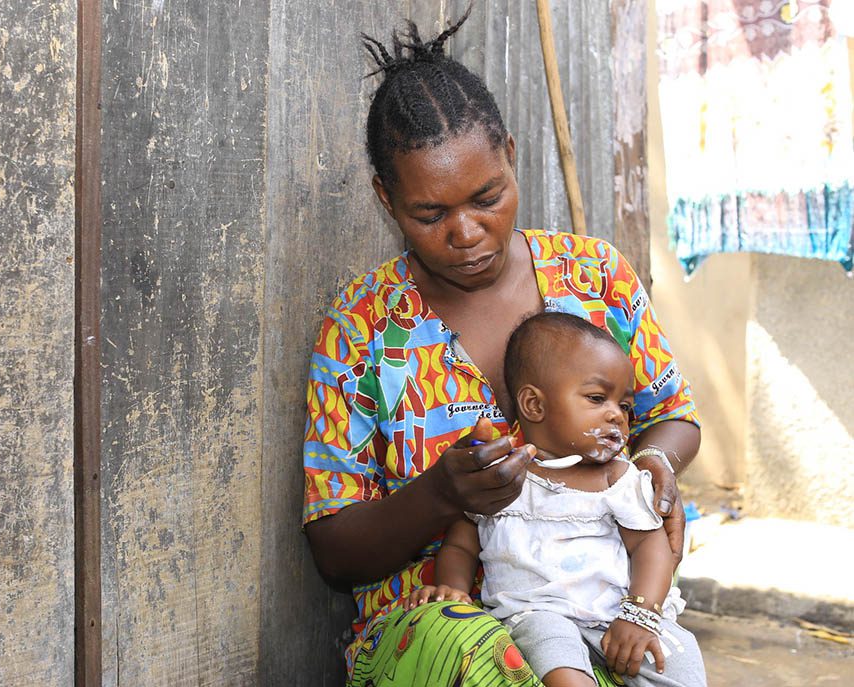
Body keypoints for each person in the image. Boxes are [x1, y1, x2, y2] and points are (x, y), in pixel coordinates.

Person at [302, 9, 700, 686]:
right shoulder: (363, 327)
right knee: (490, 659)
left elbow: (675, 414)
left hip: (599, 612)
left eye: (487, 196)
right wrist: (438, 494)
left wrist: (654, 461)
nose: (466, 231)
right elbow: (334, 549)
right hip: (434, 633)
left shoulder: (594, 276)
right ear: (385, 199)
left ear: (511, 157)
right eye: (430, 214)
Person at [405, 312, 707, 686]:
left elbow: (652, 547)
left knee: (679, 659)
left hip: (618, 612)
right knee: (559, 662)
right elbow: (461, 544)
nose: (616, 416)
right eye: (597, 398)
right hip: (537, 613)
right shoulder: (502, 475)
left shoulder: (618, 477)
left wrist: (640, 614)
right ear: (534, 405)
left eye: (625, 406)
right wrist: (453, 587)